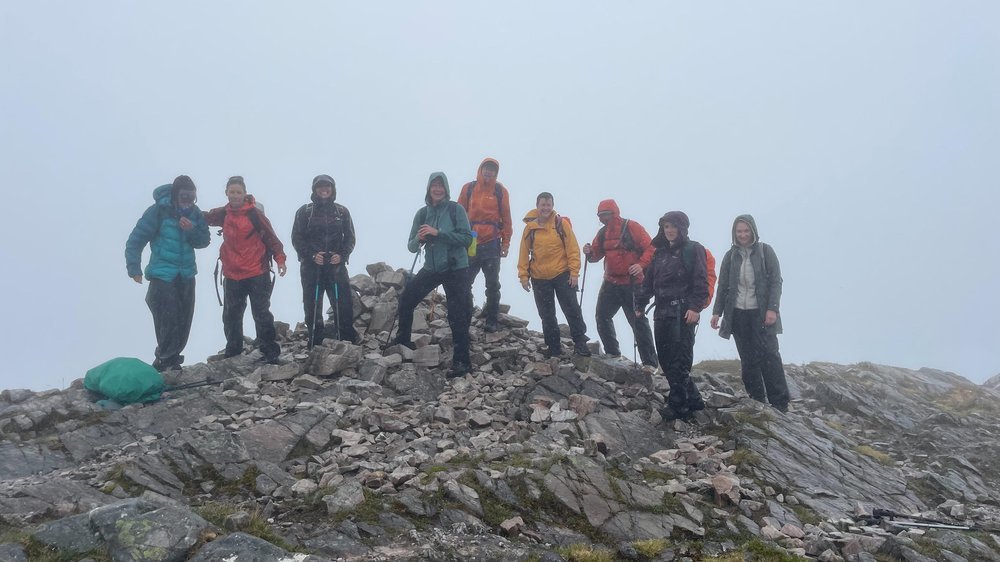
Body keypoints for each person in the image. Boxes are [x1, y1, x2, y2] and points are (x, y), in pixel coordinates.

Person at [125, 175, 211, 372]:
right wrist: (134, 268)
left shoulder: (195, 214)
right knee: (168, 317)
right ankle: (167, 359)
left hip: (186, 274)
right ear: (175, 194)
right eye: (184, 196)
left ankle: (167, 359)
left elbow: (203, 241)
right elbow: (136, 240)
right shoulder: (158, 211)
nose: (188, 201)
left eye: (191, 197)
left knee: (184, 319)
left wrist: (191, 230)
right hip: (162, 273)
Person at [393, 172, 474, 377]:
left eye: (441, 186)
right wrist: (419, 239)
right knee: (406, 300)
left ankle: (462, 363)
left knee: (457, 315)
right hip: (432, 268)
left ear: (446, 189)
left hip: (456, 268)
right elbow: (411, 246)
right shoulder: (422, 214)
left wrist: (438, 233)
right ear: (429, 189)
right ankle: (402, 343)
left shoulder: (456, 209)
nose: (437, 189)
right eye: (434, 186)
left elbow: (466, 238)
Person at [204, 176, 288, 364]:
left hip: (257, 272)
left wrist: (280, 260)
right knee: (231, 316)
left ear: (244, 194)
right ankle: (233, 353)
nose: (235, 195)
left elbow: (272, 239)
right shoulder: (223, 213)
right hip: (232, 274)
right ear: (226, 193)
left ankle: (270, 353)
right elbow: (204, 217)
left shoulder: (254, 214)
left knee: (261, 313)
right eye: (232, 192)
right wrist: (182, 211)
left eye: (238, 192)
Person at [710, 215, 790, 412]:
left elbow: (776, 282)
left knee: (770, 355)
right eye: (739, 231)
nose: (743, 235)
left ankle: (780, 403)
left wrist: (772, 308)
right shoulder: (730, 256)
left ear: (753, 231)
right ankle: (757, 399)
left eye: (746, 231)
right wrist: (717, 312)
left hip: (761, 313)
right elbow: (723, 286)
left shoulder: (765, 251)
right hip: (738, 314)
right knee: (748, 359)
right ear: (734, 233)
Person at [635, 211, 707, 420]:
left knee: (680, 361)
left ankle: (678, 407)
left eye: (674, 226)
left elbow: (700, 280)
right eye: (666, 226)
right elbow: (649, 281)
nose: (670, 230)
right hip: (661, 312)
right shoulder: (659, 253)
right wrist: (640, 303)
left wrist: (695, 308)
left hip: (683, 313)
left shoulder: (694, 249)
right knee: (666, 361)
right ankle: (694, 399)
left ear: (682, 228)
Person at [582, 199, 657, 367]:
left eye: (605, 215)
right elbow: (595, 256)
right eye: (600, 216)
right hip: (611, 281)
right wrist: (589, 252)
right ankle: (612, 352)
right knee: (602, 316)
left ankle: (650, 363)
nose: (603, 219)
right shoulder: (603, 233)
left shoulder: (632, 227)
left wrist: (641, 265)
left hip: (633, 283)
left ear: (614, 213)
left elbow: (651, 248)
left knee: (637, 321)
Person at [517, 192, 591, 358]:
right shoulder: (530, 228)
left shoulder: (561, 224)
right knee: (547, 315)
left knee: (572, 309)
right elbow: (523, 253)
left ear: (552, 206)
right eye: (543, 205)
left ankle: (580, 343)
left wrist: (574, 273)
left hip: (562, 274)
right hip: (539, 277)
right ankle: (554, 348)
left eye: (548, 204)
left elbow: (573, 249)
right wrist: (523, 276)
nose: (546, 208)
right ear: (537, 206)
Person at [291, 174, 359, 347]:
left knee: (343, 304)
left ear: (333, 189)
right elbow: (297, 238)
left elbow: (350, 238)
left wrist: (342, 255)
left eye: (327, 186)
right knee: (312, 306)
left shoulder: (342, 211)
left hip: (336, 266)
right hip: (311, 267)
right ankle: (315, 342)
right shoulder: (304, 211)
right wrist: (312, 255)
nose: (324, 189)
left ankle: (347, 342)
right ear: (314, 189)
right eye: (320, 186)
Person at [457, 158, 512, 332]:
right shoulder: (469, 188)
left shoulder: (500, 191)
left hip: (492, 241)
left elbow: (507, 219)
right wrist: (456, 240)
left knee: (492, 283)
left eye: (492, 170)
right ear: (480, 169)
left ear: (496, 173)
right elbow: (458, 213)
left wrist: (506, 244)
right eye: (486, 168)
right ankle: (464, 317)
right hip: (471, 240)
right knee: (465, 282)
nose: (489, 172)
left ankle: (492, 320)